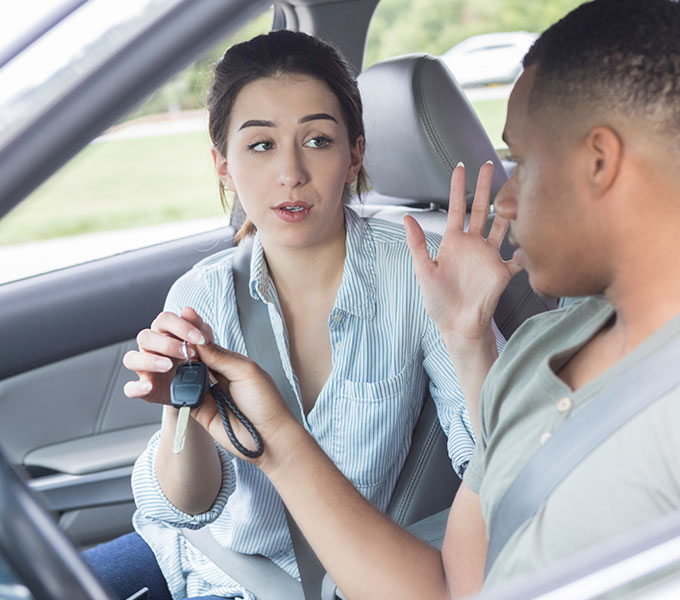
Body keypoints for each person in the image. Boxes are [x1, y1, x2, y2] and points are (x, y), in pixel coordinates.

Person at [180, 0, 680, 597]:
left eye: (521, 160)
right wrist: (466, 335)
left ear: (598, 162)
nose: (508, 199)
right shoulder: (543, 345)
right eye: (261, 145)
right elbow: (451, 588)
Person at [83, 30, 490, 600]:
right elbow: (189, 505)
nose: (291, 173)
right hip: (202, 561)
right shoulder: (203, 293)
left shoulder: (419, 274)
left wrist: (471, 337)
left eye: (318, 140)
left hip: (340, 577)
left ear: (355, 155)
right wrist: (185, 409)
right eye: (260, 146)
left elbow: (495, 457)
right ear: (222, 165)